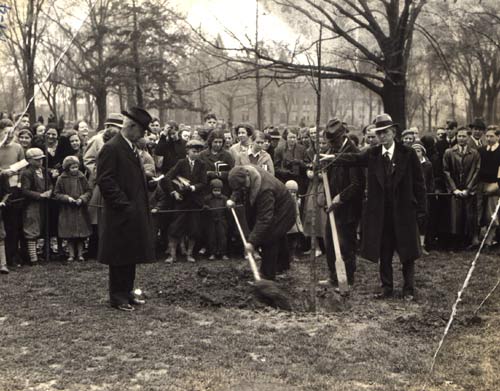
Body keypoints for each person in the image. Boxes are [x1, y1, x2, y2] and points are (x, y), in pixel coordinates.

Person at [322, 114, 427, 300]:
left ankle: (408, 289)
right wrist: (331, 158)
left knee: (407, 253)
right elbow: (354, 158)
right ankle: (386, 287)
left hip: (404, 212)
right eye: (379, 133)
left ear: (393, 132)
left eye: (385, 133)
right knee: (384, 251)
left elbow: (419, 184)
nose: (382, 137)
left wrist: (421, 210)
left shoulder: (408, 154)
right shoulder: (373, 154)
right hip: (382, 213)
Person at [96, 107, 156, 312]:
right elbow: (105, 180)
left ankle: (127, 291)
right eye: (142, 130)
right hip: (119, 213)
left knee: (131, 253)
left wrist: (148, 183)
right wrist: (124, 204)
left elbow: (129, 177)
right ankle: (117, 297)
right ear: (131, 126)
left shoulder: (130, 147)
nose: (144, 134)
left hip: (132, 211)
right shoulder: (112, 148)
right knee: (119, 255)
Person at [227, 165, 296, 281]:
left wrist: (252, 241)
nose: (243, 189)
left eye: (244, 186)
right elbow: (239, 188)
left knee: (270, 237)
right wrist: (233, 199)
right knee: (277, 234)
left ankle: (267, 275)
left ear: (247, 177)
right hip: (276, 207)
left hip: (285, 210)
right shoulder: (247, 171)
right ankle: (283, 265)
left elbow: (264, 219)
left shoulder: (265, 190)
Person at [322, 119, 364, 287]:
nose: (332, 144)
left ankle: (347, 278)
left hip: (348, 207)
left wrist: (340, 198)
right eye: (330, 142)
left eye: (334, 141)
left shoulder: (353, 153)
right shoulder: (332, 150)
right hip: (332, 205)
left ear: (343, 136)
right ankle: (333, 275)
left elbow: (357, 184)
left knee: (346, 243)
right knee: (330, 241)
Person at [161, 139, 207, 264]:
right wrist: (174, 192)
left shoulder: (202, 164)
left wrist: (192, 188)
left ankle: (190, 254)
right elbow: (167, 178)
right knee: (175, 227)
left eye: (198, 151)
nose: (196, 154)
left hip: (195, 202)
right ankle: (172, 255)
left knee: (194, 228)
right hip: (181, 201)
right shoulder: (181, 163)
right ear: (187, 151)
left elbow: (203, 183)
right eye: (194, 151)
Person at [443, 127, 481, 249]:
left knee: (468, 215)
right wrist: (454, 189)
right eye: (459, 136)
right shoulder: (449, 152)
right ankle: (455, 242)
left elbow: (476, 171)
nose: (461, 139)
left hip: (468, 190)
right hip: (455, 190)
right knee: (455, 216)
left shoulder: (474, 153)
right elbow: (446, 171)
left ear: (468, 137)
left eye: (464, 136)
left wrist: (468, 189)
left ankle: (468, 240)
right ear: (456, 136)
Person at [53, 156, 92, 262]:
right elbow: (56, 193)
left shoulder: (82, 177)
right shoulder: (61, 178)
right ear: (67, 168)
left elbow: (88, 191)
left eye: (76, 167)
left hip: (80, 210)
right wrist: (67, 198)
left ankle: (80, 254)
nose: (75, 170)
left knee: (80, 234)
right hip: (67, 210)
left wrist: (82, 199)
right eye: (72, 167)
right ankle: (71, 254)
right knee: (70, 234)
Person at [20, 148, 52, 265]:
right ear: (29, 160)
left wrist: (50, 191)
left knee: (42, 228)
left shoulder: (44, 171)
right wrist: (40, 195)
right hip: (31, 205)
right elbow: (25, 190)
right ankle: (33, 258)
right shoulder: (26, 173)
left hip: (43, 205)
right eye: (37, 160)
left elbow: (50, 183)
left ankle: (42, 253)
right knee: (31, 230)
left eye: (41, 159)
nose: (40, 162)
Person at [476, 127, 500, 248]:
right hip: (480, 184)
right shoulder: (481, 151)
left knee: (492, 214)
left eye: (491, 136)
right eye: (487, 136)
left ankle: (489, 241)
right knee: (478, 211)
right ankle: (475, 239)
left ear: (498, 137)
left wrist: (497, 186)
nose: (489, 138)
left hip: (494, 185)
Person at [412, 141, 434, 255]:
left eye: (418, 151)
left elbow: (430, 181)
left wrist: (429, 192)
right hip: (411, 196)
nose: (416, 153)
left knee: (423, 220)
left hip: (424, 197)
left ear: (423, 153)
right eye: (414, 151)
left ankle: (421, 245)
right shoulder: (407, 164)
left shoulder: (428, 165)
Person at [203, 179, 229, 260]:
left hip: (222, 220)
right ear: (211, 190)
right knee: (211, 237)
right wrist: (205, 207)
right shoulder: (207, 199)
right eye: (215, 190)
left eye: (218, 190)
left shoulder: (225, 199)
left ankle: (223, 253)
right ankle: (212, 253)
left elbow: (228, 211)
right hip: (211, 221)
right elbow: (203, 208)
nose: (217, 192)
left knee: (222, 237)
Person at [285, 180, 303, 266]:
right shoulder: (285, 200)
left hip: (296, 225)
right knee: (289, 242)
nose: (292, 194)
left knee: (295, 241)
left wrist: (298, 202)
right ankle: (289, 257)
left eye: (294, 192)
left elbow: (298, 209)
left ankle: (294, 255)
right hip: (289, 225)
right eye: (290, 192)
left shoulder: (296, 199)